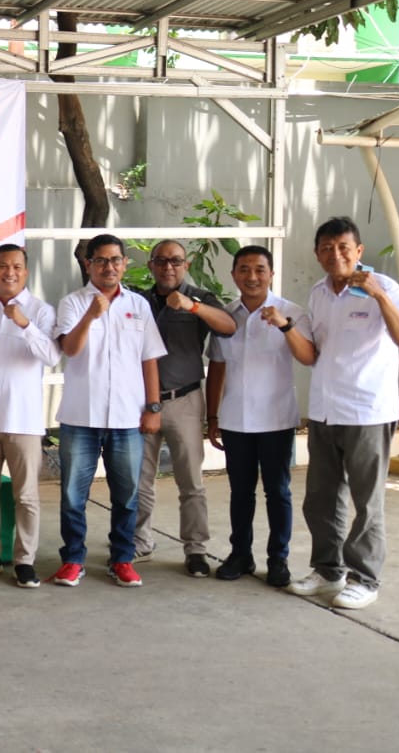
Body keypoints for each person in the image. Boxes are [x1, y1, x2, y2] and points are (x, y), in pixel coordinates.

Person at [287, 216, 399, 610]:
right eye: (327, 248)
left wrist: (379, 296)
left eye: (343, 247)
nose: (336, 254)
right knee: (321, 499)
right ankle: (329, 571)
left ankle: (365, 578)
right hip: (325, 411)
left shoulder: (386, 287)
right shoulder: (318, 293)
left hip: (367, 411)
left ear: (358, 251)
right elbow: (316, 353)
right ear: (317, 253)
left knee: (367, 502)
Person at [52, 234, 166, 588]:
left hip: (127, 417)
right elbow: (70, 349)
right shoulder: (73, 303)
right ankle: (73, 559)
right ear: (88, 264)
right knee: (73, 496)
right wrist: (90, 315)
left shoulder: (138, 305)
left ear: (124, 264)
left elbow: (149, 358)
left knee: (127, 495)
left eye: (115, 260)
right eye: (101, 260)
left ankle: (122, 559)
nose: (109, 267)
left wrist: (153, 407)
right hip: (80, 417)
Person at [205, 245, 315, 588]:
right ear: (234, 274)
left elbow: (308, 356)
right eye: (244, 269)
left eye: (259, 270)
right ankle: (241, 555)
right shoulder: (225, 316)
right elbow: (217, 367)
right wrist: (212, 417)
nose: (252, 277)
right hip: (235, 419)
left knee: (278, 492)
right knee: (240, 492)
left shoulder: (291, 312)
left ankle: (278, 559)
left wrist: (284, 326)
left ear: (271, 274)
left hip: (276, 419)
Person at [135, 240, 236, 577]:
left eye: (176, 261)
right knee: (139, 480)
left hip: (186, 401)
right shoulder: (139, 301)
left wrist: (193, 307)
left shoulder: (200, 297)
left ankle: (196, 549)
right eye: (162, 261)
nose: (169, 267)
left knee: (191, 481)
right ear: (151, 265)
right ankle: (139, 542)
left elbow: (228, 326)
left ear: (186, 265)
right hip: (141, 403)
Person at [0, 243, 61, 588]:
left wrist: (25, 324)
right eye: (3, 266)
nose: (10, 272)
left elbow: (52, 356)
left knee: (26, 496)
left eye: (17, 267)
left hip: (23, 421)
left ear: (26, 272)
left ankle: (24, 560)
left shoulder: (41, 311)